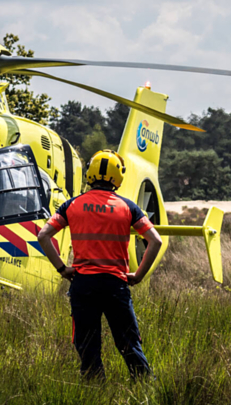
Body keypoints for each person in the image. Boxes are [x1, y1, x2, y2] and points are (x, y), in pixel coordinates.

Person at [37, 149, 163, 379]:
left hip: (83, 284)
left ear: (90, 174)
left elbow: (43, 235)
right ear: (118, 176)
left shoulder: (71, 205)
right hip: (116, 284)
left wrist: (62, 269)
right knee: (129, 344)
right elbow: (155, 240)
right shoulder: (128, 207)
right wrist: (139, 275)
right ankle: (146, 386)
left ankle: (95, 391)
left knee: (87, 346)